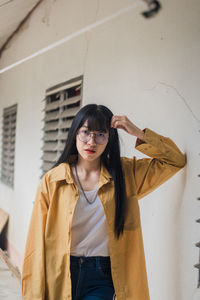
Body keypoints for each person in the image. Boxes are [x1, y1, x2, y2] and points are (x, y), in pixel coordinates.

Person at [21, 104, 186, 300]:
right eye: (85, 133)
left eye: (100, 134)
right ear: (75, 134)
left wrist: (139, 133)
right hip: (60, 271)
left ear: (110, 139)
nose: (91, 142)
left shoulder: (126, 174)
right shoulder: (53, 180)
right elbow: (35, 244)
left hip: (103, 275)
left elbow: (175, 160)